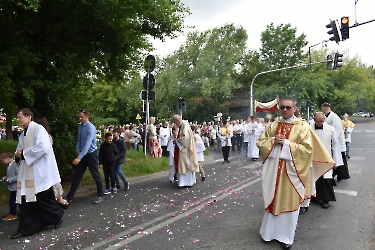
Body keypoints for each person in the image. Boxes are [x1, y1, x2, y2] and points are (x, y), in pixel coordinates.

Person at [256, 98, 334, 249]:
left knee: (289, 202)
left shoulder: (302, 126)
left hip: (293, 172)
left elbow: (307, 150)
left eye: (288, 107)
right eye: (282, 107)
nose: (284, 110)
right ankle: (268, 233)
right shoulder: (273, 124)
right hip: (274, 172)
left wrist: (286, 143)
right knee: (273, 199)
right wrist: (273, 141)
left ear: (294, 108)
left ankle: (286, 237)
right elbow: (261, 142)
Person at [11, 108, 64, 239]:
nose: (18, 119)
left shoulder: (38, 129)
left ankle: (57, 215)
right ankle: (29, 228)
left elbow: (43, 147)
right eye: (17, 117)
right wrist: (17, 155)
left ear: (29, 117)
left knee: (40, 199)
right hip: (27, 171)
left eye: (20, 117)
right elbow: (19, 149)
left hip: (39, 171)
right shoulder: (23, 134)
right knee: (27, 200)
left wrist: (23, 153)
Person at [65, 109, 104, 204]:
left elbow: (87, 144)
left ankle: (100, 195)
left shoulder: (91, 128)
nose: (80, 118)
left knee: (95, 175)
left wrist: (79, 157)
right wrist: (77, 150)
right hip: (82, 154)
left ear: (87, 116)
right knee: (77, 176)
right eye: (79, 116)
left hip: (91, 154)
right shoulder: (80, 127)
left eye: (81, 117)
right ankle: (70, 196)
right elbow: (78, 140)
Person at [33, 115, 69, 209]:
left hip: (46, 164)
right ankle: (59, 203)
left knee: (51, 185)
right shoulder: (43, 135)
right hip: (45, 164)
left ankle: (59, 204)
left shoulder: (44, 136)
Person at [310, 112, 343, 209]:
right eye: (318, 121)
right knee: (313, 178)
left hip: (326, 158)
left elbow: (335, 146)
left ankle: (325, 199)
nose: (320, 123)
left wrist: (336, 161)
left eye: (322, 121)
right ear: (314, 119)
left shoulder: (330, 129)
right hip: (313, 158)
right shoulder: (308, 128)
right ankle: (313, 197)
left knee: (326, 179)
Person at [321, 102, 350, 181]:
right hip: (332, 140)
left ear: (324, 109)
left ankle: (339, 175)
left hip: (337, 141)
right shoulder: (328, 116)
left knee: (338, 159)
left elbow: (336, 130)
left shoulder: (334, 117)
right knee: (337, 159)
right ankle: (339, 175)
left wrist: (332, 140)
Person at [172, 114, 199, 188]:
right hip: (185, 148)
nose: (175, 124)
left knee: (184, 165)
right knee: (186, 164)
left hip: (185, 149)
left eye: (175, 122)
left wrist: (177, 141)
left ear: (177, 120)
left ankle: (185, 183)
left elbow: (185, 138)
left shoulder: (184, 125)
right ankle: (186, 182)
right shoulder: (184, 124)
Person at [0, 151, 19, 221]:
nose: (2, 163)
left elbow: (18, 175)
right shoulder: (9, 165)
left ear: (8, 158)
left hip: (15, 187)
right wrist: (4, 178)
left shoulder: (15, 165)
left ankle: (13, 213)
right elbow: (9, 175)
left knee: (13, 201)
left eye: (3, 161)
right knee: (13, 200)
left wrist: (9, 179)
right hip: (12, 188)